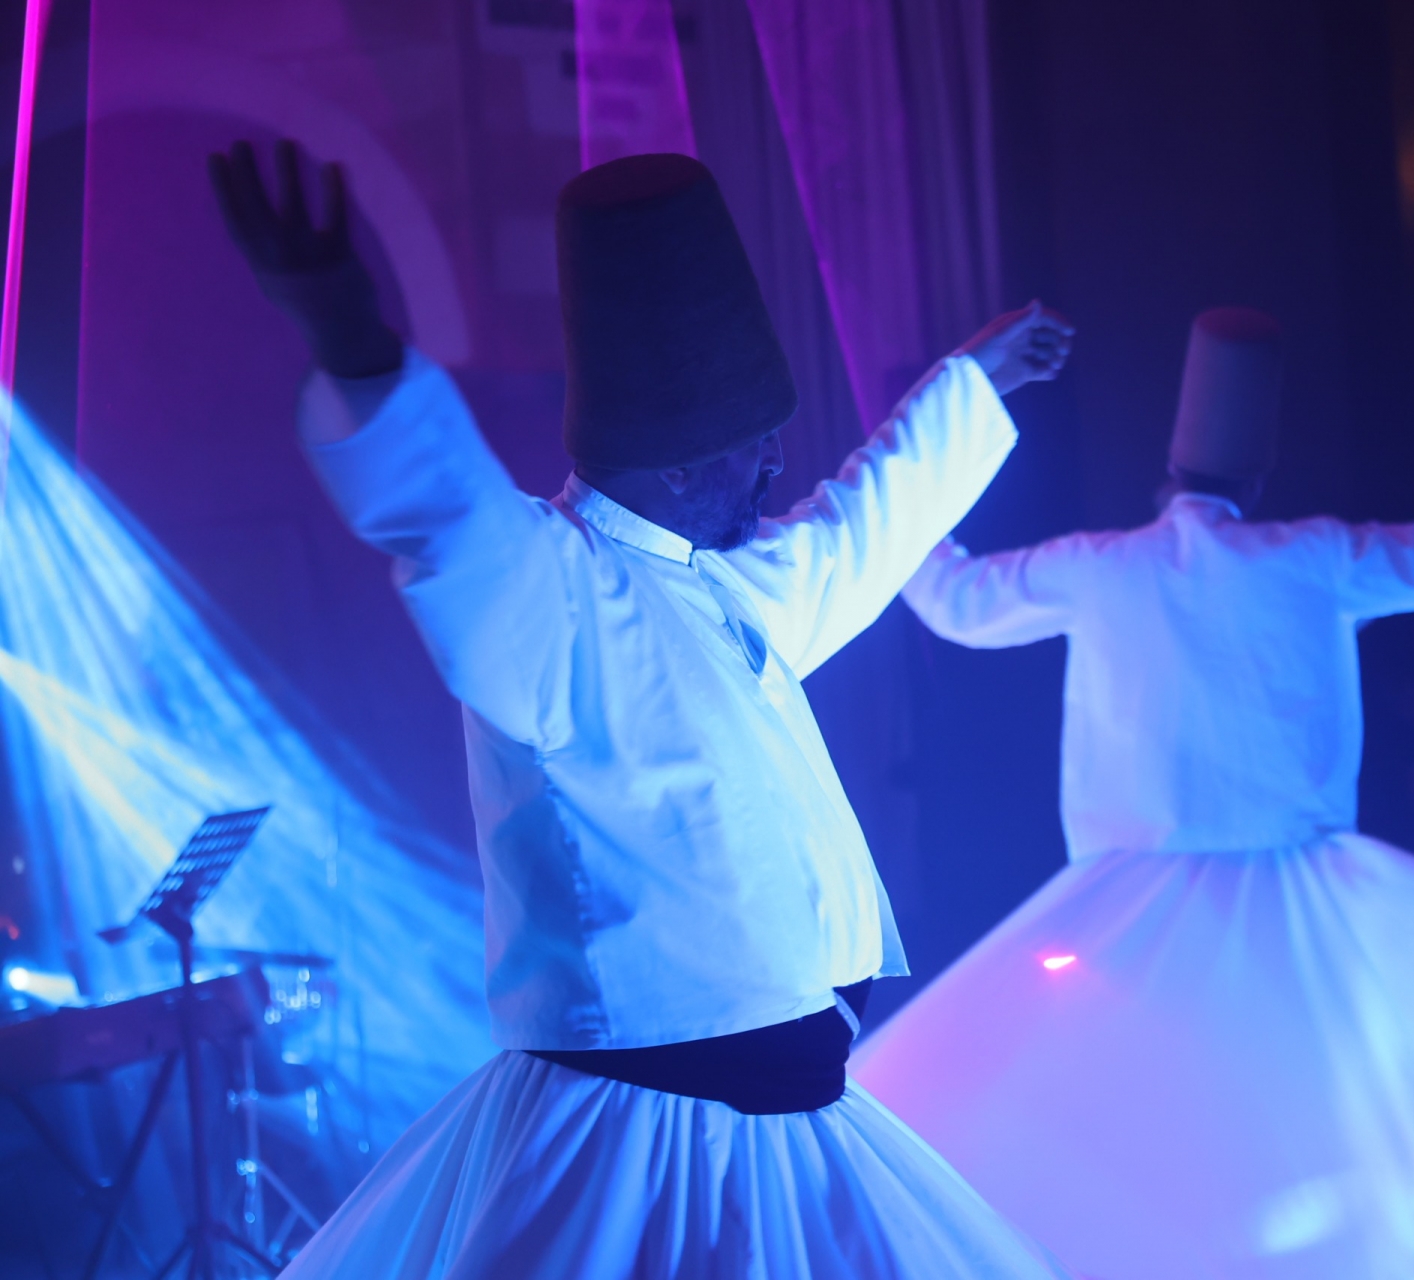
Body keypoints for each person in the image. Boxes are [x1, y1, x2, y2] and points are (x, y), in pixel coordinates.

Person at [209, 139, 1075, 1277]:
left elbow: (869, 518)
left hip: (799, 1125)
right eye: (750, 447)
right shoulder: (548, 596)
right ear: (672, 468)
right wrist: (353, 340)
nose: (776, 465)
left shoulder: (733, 585)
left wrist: (975, 379)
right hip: (639, 1145)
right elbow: (445, 513)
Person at [852, 307, 1414, 1280]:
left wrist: (911, 472)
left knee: (1137, 1100)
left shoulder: (1103, 566)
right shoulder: (1309, 556)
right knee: (1300, 1100)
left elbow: (952, 600)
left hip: (1136, 900)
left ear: (1167, 473)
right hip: (1297, 893)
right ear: (1256, 481)